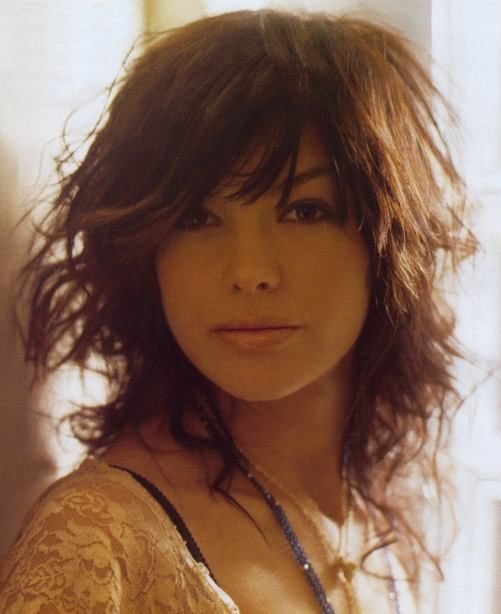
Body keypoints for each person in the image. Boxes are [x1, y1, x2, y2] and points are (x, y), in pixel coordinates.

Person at [0, 9, 475, 613]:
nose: (250, 272)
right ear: (146, 251)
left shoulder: (394, 507)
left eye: (304, 211)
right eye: (197, 218)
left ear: (388, 239)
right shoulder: (97, 543)